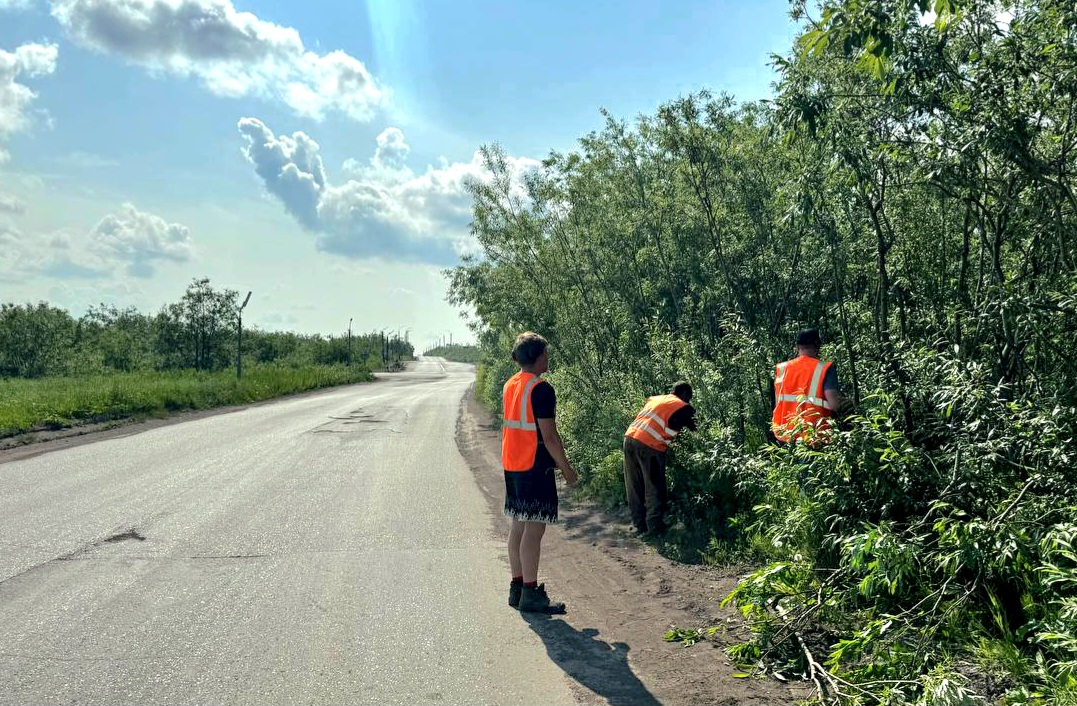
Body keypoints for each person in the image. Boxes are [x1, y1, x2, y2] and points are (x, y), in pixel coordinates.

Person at [502, 331, 578, 614]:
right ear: (536, 358)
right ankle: (531, 594)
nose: (548, 357)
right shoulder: (541, 389)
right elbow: (550, 437)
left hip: (513, 463)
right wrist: (567, 470)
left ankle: (518, 587)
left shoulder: (512, 384)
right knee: (534, 530)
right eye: (545, 353)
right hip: (534, 466)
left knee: (519, 526)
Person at [622, 381, 697, 536]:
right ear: (684, 394)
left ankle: (639, 525)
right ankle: (655, 527)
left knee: (634, 485)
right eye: (689, 397)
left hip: (629, 438)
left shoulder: (656, 399)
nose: (688, 401)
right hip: (650, 446)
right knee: (654, 486)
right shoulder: (682, 406)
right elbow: (694, 426)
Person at [771, 328, 843, 445]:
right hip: (815, 436)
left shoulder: (782, 369)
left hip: (785, 435)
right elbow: (835, 404)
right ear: (817, 346)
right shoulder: (825, 369)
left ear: (797, 346)